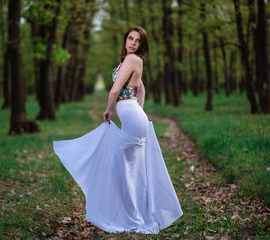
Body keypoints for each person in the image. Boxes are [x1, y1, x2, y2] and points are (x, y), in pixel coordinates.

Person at [53, 26, 183, 234]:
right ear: (125, 40)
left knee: (122, 168)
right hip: (133, 116)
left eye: (137, 40)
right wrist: (138, 110)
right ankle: (135, 213)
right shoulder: (131, 61)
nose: (132, 43)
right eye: (130, 38)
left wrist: (109, 110)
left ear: (142, 44)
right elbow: (141, 88)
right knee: (129, 170)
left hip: (130, 115)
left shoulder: (133, 60)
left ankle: (133, 217)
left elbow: (115, 90)